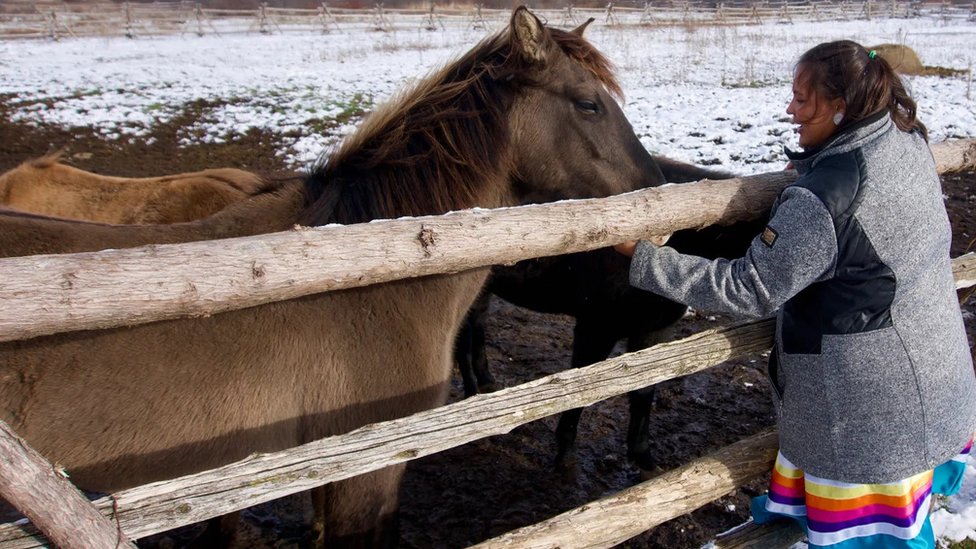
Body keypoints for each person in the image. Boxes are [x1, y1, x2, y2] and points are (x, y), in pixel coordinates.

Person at [615, 40, 976, 548]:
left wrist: (645, 257)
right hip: (934, 383)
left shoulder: (824, 199)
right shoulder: (904, 139)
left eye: (802, 99)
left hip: (870, 418)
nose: (790, 109)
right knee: (908, 527)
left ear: (840, 107)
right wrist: (813, 167)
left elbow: (749, 286)